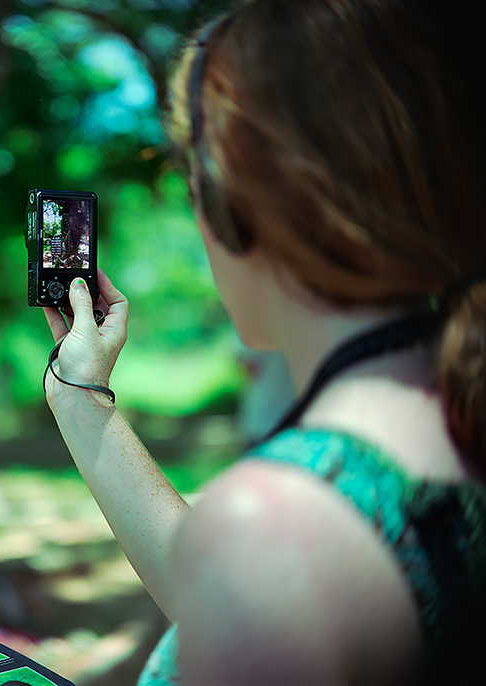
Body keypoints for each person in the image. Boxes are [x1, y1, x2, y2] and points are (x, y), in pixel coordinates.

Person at [42, 0, 486, 683]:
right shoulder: (456, 408)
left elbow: (263, 567)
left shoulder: (273, 525)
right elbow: (232, 594)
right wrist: (79, 399)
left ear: (233, 202)